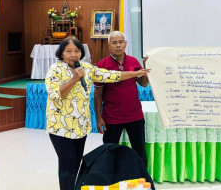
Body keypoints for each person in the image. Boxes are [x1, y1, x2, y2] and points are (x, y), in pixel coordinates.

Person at [45, 36, 150, 190]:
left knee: (76, 162)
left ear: (81, 53)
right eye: (68, 51)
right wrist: (75, 78)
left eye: (77, 51)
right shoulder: (55, 69)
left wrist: (135, 74)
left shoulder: (86, 68)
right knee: (67, 164)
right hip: (61, 127)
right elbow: (55, 95)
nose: (73, 55)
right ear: (62, 53)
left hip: (80, 127)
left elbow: (112, 76)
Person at [94, 31, 149, 167]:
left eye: (120, 42)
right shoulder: (102, 65)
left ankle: (142, 179)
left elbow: (143, 84)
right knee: (109, 151)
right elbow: (97, 94)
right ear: (109, 46)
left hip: (135, 116)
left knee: (140, 151)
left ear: (125, 44)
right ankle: (110, 178)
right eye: (114, 43)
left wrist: (145, 68)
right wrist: (99, 117)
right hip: (112, 117)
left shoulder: (134, 61)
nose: (118, 45)